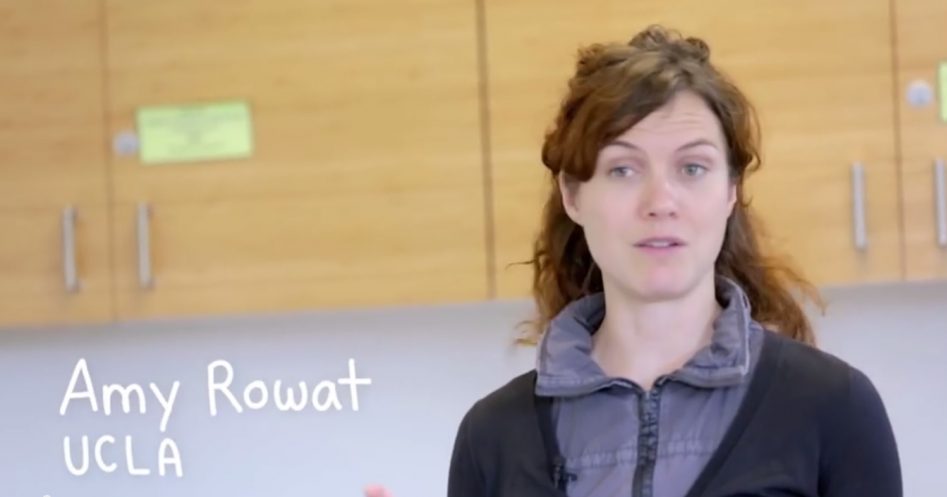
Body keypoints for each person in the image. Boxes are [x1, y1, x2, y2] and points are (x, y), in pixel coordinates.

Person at [365, 25, 902, 497]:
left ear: (731, 191)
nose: (660, 201)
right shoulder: (492, 437)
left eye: (692, 168)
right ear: (573, 194)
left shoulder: (833, 407)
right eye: (623, 170)